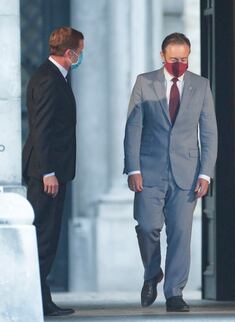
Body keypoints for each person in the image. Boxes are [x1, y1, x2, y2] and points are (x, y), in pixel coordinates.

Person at [123, 32, 218, 312]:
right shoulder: (145, 82)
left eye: (184, 59)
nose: (179, 63)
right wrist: (133, 168)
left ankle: (174, 292)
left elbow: (209, 131)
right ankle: (152, 271)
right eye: (174, 58)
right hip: (149, 170)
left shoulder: (201, 86)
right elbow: (133, 127)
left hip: (186, 172)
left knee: (180, 233)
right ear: (163, 56)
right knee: (148, 227)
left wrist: (205, 174)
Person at [22, 26, 84, 317]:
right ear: (69, 52)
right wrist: (47, 171)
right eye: (80, 51)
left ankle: (40, 296)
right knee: (44, 237)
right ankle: (36, 298)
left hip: (52, 171)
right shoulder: (49, 79)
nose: (81, 56)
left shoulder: (53, 75)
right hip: (46, 173)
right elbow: (42, 129)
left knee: (46, 236)